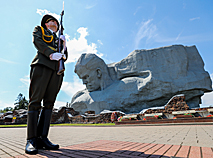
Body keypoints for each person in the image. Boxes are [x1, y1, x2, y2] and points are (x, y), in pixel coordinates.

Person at [25, 14, 68, 155]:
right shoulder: (39, 30)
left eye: (56, 22)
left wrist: (63, 45)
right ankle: (31, 139)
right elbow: (38, 42)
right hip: (42, 66)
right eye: (51, 21)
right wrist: (50, 54)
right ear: (45, 24)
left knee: (49, 104)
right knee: (35, 101)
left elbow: (64, 56)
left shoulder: (59, 38)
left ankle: (42, 138)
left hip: (56, 71)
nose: (54, 23)